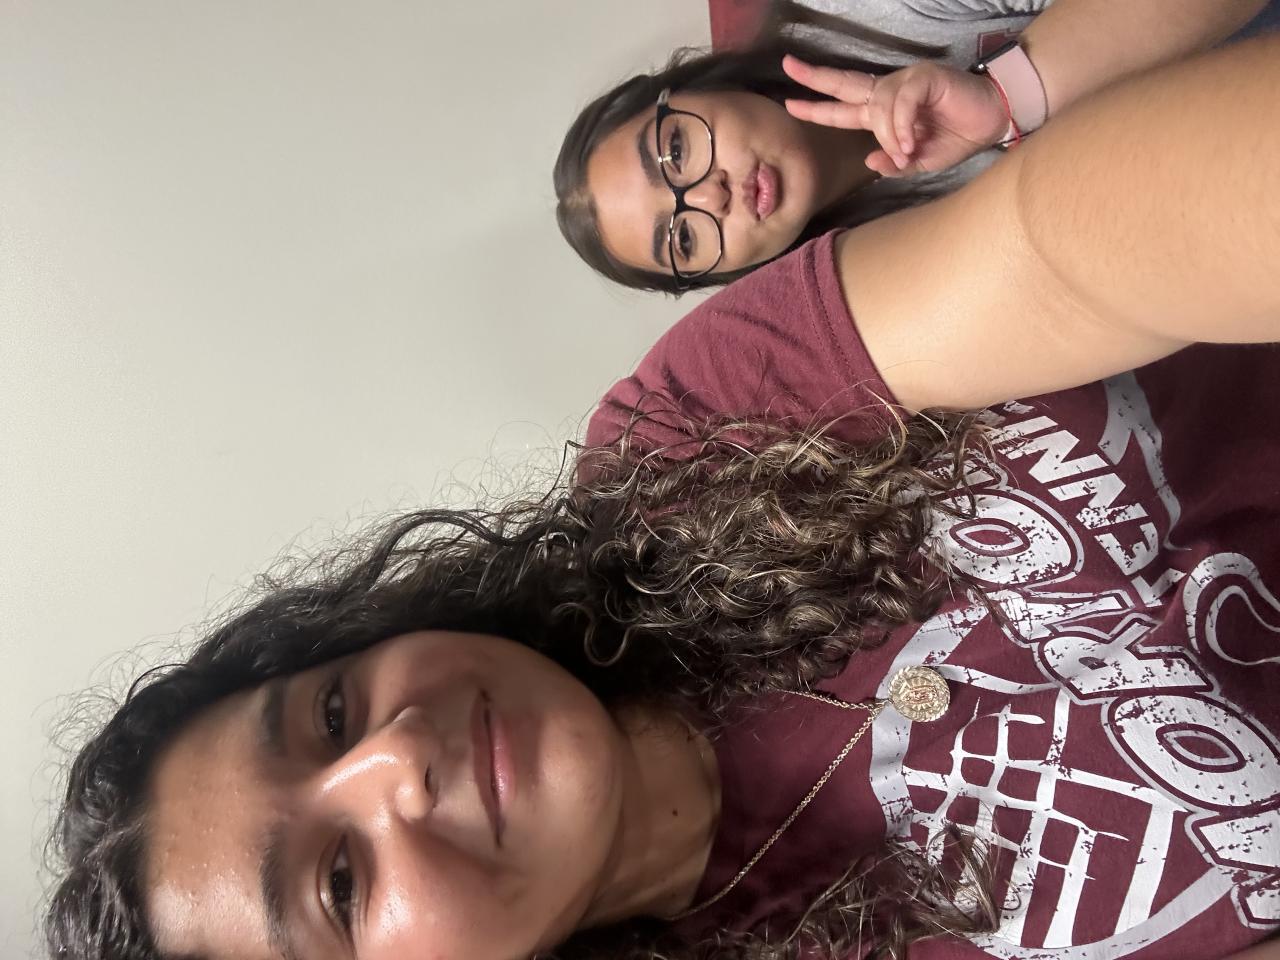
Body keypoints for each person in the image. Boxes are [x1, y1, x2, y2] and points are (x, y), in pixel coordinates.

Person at [45, 36, 1280, 960]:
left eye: (328, 712)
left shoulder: (680, 451)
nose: (395, 756)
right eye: (339, 885)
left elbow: (1060, 254)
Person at [554, 0, 1269, 292]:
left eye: (675, 153)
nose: (709, 197)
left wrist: (1008, 96)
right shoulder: (887, 281)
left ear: (691, 86)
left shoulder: (875, 8)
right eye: (682, 238)